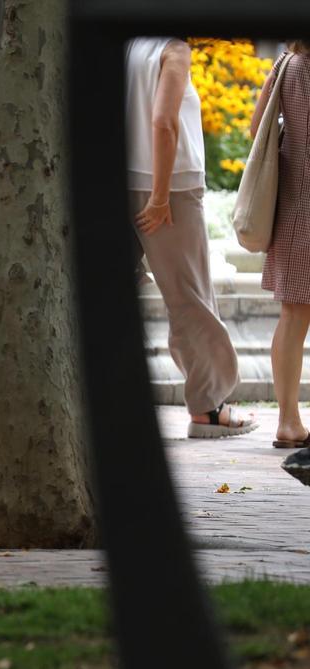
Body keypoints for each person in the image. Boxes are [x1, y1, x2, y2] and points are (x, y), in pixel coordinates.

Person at [125, 37, 258, 438]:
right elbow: (164, 122)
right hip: (171, 189)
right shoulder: (173, 49)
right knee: (190, 298)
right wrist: (161, 196)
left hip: (125, 177)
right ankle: (208, 407)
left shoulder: (125, 44)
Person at [253, 40, 310, 477]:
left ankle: (288, 420)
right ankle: (290, 421)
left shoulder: (286, 63)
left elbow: (258, 127)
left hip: (291, 200)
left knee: (292, 315)